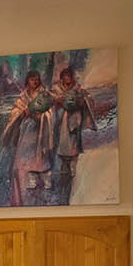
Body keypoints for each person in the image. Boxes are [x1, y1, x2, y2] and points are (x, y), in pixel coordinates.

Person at [0, 70, 55, 206]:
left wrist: (40, 115)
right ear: (27, 81)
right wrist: (23, 113)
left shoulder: (44, 95)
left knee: (40, 154)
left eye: (36, 79)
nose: (34, 82)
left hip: (40, 130)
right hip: (26, 131)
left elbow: (50, 112)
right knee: (26, 156)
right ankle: (30, 179)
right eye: (32, 79)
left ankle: (44, 179)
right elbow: (15, 111)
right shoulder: (23, 96)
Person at [50, 66, 97, 201]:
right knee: (62, 144)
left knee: (74, 143)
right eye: (65, 77)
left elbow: (87, 98)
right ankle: (64, 167)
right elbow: (51, 99)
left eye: (69, 76)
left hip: (74, 120)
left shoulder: (78, 89)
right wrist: (58, 101)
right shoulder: (57, 89)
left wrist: (81, 102)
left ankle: (73, 166)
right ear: (62, 78)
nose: (67, 79)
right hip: (61, 121)